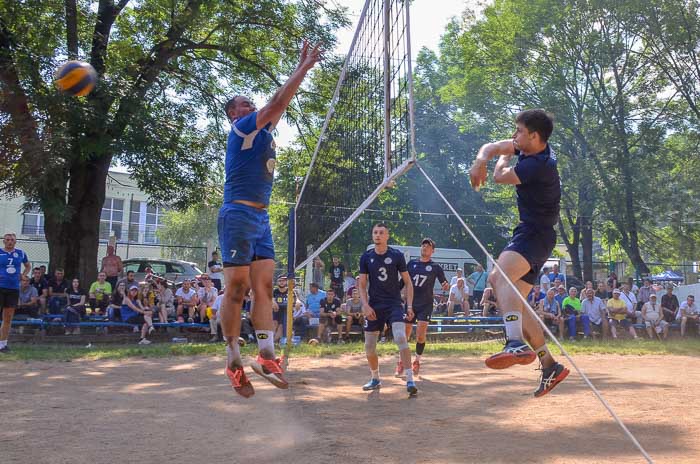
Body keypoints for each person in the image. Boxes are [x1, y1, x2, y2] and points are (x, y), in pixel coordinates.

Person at [218, 41, 322, 398]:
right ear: (234, 115)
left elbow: (281, 103)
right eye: (242, 104)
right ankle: (232, 357)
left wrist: (299, 66)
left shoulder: (264, 134)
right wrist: (304, 67)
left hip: (260, 219)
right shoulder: (243, 129)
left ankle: (266, 354)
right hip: (237, 213)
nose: (249, 106)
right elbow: (277, 102)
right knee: (236, 289)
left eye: (250, 102)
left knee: (263, 288)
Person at [469, 109, 569, 397]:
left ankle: (514, 343)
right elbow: (489, 147)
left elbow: (500, 176)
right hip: (536, 234)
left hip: (534, 234)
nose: (514, 136)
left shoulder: (539, 164)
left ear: (534, 136)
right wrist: (480, 160)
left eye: (519, 132)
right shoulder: (533, 147)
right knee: (517, 302)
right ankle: (550, 365)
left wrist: (501, 157)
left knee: (498, 278)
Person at [359, 223, 417, 396]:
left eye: (381, 232)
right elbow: (361, 285)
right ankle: (375, 378)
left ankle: (410, 379)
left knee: (400, 337)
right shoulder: (366, 257)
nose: (377, 235)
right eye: (375, 232)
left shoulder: (397, 255)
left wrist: (409, 306)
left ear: (387, 236)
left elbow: (408, 282)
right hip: (375, 305)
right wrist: (365, 304)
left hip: (393, 304)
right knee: (369, 346)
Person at [402, 238, 449, 375]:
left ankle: (417, 361)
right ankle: (402, 362)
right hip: (410, 303)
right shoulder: (411, 264)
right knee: (405, 335)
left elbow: (444, 283)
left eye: (428, 247)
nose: (425, 248)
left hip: (426, 304)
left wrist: (446, 286)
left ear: (432, 251)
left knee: (420, 336)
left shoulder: (435, 267)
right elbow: (402, 281)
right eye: (423, 246)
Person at [0, 233, 31, 353]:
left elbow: (27, 266)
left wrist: (22, 275)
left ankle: (3, 345)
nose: (10, 242)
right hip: (0, 287)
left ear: (15, 241)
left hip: (13, 289)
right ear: (4, 241)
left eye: (12, 240)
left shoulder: (21, 253)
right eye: (7, 240)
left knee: (7, 318)